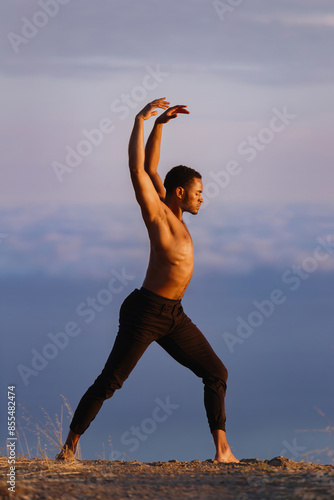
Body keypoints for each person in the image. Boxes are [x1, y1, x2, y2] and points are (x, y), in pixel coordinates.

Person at [56, 98, 238, 463]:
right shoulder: (158, 215)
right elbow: (138, 169)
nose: (203, 198)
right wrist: (141, 119)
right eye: (199, 192)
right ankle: (68, 450)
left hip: (174, 315)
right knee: (111, 381)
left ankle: (222, 451)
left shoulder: (175, 210)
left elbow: (153, 167)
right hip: (146, 312)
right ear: (181, 192)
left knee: (216, 372)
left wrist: (160, 127)